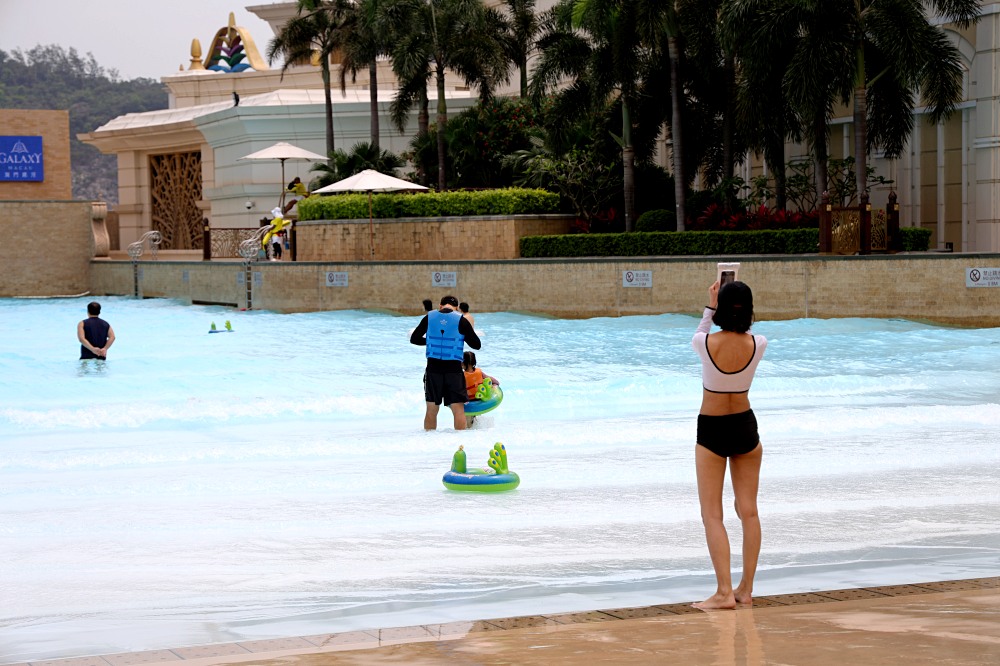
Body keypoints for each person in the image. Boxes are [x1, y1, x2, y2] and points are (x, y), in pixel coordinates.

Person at [691, 280, 767, 610]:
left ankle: (724, 593)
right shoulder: (759, 343)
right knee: (748, 511)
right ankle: (745, 589)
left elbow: (702, 332)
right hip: (745, 426)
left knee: (712, 514)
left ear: (720, 307)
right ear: (749, 311)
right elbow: (745, 328)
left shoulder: (704, 343)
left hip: (712, 428)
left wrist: (710, 306)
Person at [410, 295, 481, 430]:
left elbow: (414, 339)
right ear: (456, 308)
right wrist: (459, 337)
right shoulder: (461, 320)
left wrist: (431, 341)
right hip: (453, 371)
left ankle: (429, 441)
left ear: (440, 305)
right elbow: (476, 344)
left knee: (431, 409)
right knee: (458, 410)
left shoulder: (429, 317)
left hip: (433, 369)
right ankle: (459, 444)